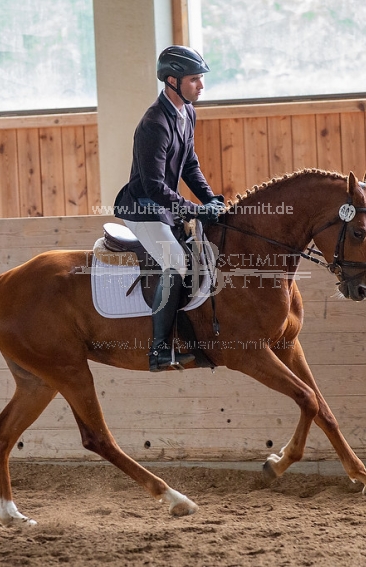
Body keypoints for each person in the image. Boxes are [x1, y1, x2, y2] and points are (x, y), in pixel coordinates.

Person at [113, 45, 225, 372]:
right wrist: (195, 210)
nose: (201, 86)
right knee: (175, 261)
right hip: (143, 209)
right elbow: (153, 188)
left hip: (165, 207)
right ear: (172, 80)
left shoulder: (187, 112)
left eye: (201, 79)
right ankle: (159, 350)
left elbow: (190, 165)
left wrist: (209, 199)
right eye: (194, 80)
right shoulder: (154, 123)